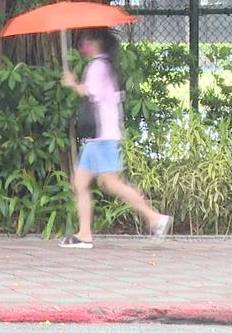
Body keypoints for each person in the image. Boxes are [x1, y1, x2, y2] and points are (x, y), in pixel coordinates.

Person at [59, 28, 171, 249]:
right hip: (99, 138)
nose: (84, 45)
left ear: (97, 43)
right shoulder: (106, 66)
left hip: (102, 137)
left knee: (111, 183)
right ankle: (84, 234)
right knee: (81, 182)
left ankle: (155, 217)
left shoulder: (97, 67)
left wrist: (72, 83)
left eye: (87, 40)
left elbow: (89, 93)